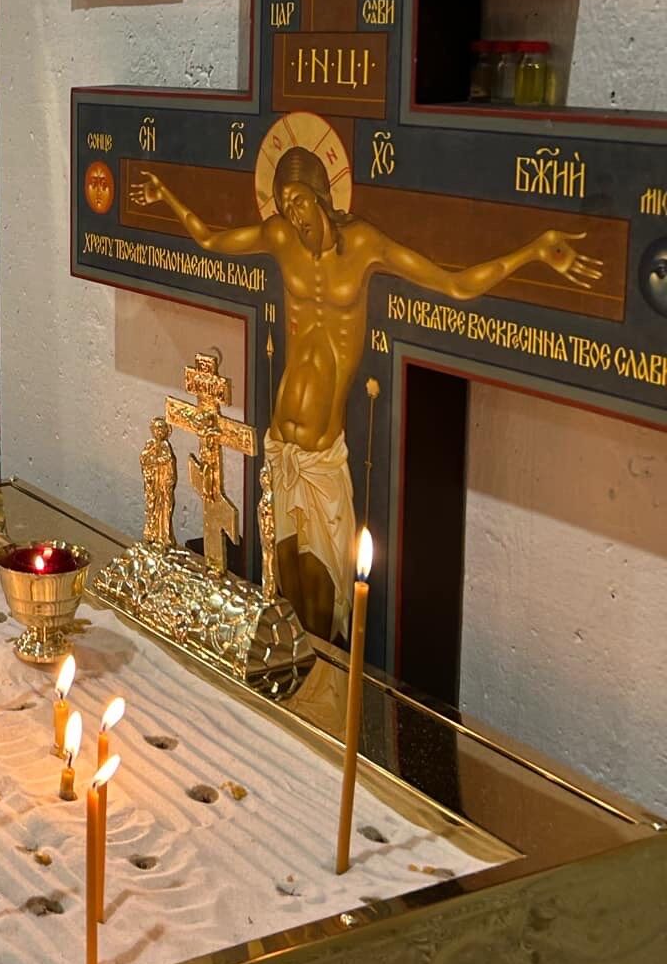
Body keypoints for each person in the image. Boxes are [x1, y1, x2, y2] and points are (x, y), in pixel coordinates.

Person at [129, 150, 598, 642]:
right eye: (284, 204)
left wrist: (533, 252)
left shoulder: (363, 244)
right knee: (284, 591)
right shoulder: (280, 237)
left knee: (322, 604)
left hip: (321, 458)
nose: (293, 214)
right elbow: (210, 239)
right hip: (281, 448)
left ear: (321, 195)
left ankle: (327, 686)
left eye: (300, 201)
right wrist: (166, 198)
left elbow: (454, 284)